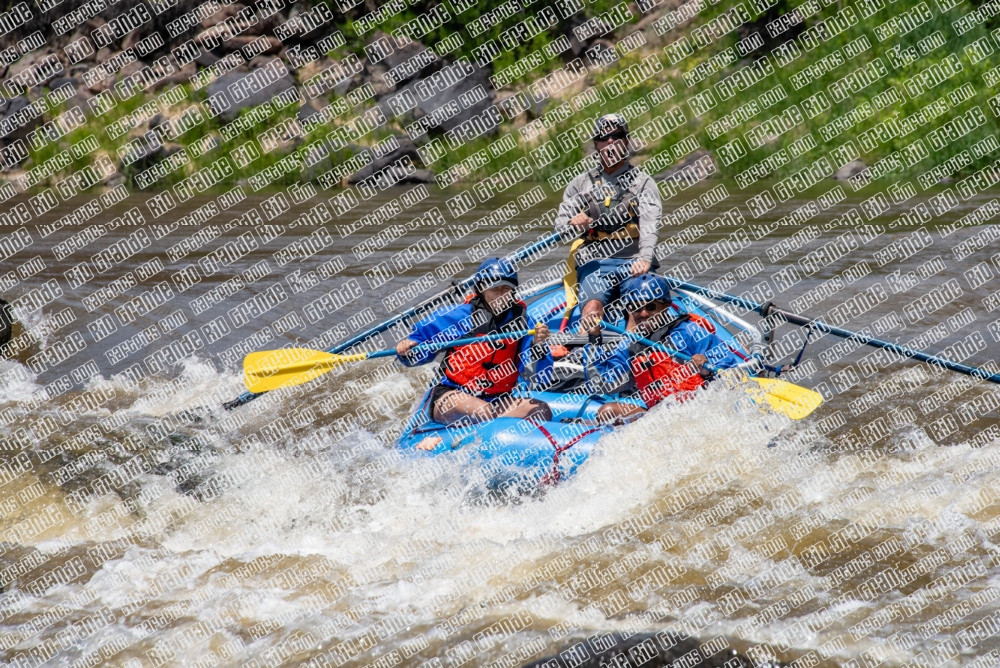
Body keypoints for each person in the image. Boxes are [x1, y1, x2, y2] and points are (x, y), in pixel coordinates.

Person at [396, 258, 554, 445]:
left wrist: (539, 346)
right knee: (483, 411)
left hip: (497, 399)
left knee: (542, 410)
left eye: (506, 289)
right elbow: (419, 349)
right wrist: (407, 349)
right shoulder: (459, 316)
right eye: (494, 289)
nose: (500, 295)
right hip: (450, 396)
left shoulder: (524, 323)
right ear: (481, 290)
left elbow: (541, 378)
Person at [554, 113, 662, 336]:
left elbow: (650, 227)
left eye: (617, 135)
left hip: (634, 261)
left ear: (627, 141)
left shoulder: (644, 183)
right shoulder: (579, 184)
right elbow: (560, 229)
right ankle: (585, 359)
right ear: (596, 143)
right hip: (595, 262)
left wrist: (644, 258)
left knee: (640, 313)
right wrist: (573, 223)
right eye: (604, 137)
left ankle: (634, 354)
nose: (610, 141)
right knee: (592, 311)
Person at [591, 274, 745, 423]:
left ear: (666, 307)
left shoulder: (690, 332)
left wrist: (705, 370)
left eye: (650, 306)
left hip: (700, 412)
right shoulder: (631, 345)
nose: (643, 313)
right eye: (636, 307)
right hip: (659, 416)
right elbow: (604, 384)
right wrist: (594, 339)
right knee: (607, 412)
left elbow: (732, 373)